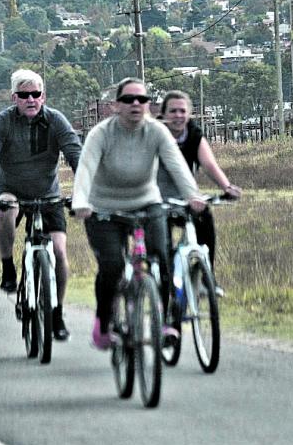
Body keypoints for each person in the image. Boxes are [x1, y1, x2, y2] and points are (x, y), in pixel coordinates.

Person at [72, 77, 206, 350]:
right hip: (103, 208)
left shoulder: (157, 132)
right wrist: (81, 202)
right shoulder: (102, 133)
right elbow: (85, 168)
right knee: (112, 266)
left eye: (142, 99)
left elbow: (177, 165)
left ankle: (168, 320)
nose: (136, 104)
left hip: (147, 203)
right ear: (115, 105)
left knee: (162, 256)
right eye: (129, 99)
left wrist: (192, 195)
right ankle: (104, 320)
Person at [0, 68, 82, 341]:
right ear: (14, 98)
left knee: (58, 251)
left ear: (43, 96)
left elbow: (75, 154)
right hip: (12, 190)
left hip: (49, 195)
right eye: (24, 95)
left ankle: (56, 313)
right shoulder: (3, 122)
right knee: (6, 208)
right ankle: (8, 266)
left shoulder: (56, 120)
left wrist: (85, 190)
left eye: (36, 94)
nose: (31, 99)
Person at [157, 90, 242, 271]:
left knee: (204, 218)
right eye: (173, 111)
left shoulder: (194, 135)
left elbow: (209, 164)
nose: (178, 116)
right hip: (156, 197)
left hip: (185, 196)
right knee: (161, 250)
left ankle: (206, 275)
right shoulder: (153, 133)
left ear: (189, 114)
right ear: (163, 114)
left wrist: (227, 187)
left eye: (182, 111)